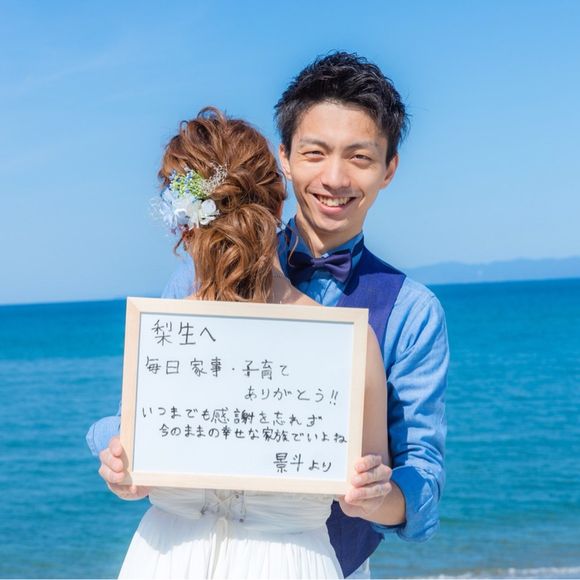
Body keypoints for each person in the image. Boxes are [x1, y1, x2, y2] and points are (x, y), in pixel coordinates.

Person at [88, 52, 448, 579]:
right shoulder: (197, 276)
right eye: (315, 152)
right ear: (284, 157)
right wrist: (120, 456)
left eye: (360, 158)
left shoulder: (412, 311)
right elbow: (140, 414)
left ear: (389, 168)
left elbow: (422, 479)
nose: (334, 178)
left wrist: (379, 496)